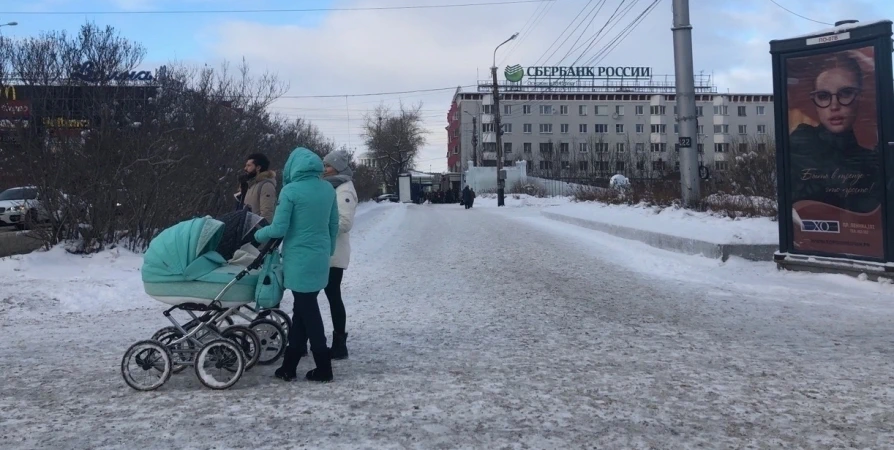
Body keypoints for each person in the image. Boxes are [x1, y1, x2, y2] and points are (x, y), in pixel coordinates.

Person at [254, 147, 339, 383]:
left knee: (308, 311)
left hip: (299, 258)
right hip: (320, 256)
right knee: (302, 311)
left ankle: (324, 367)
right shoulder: (327, 189)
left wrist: (258, 235)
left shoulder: (291, 191)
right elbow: (333, 225)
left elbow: (279, 229)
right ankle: (288, 367)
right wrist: (328, 251)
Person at [788, 51, 881, 213]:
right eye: (823, 96)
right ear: (815, 103)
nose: (834, 105)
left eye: (845, 93)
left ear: (860, 98)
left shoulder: (869, 154)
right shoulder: (802, 141)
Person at [321, 150, 358, 360]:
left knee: (333, 297)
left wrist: (318, 226)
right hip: (325, 251)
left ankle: (339, 343)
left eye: (327, 166)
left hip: (333, 254)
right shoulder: (332, 186)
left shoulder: (344, 190)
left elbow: (344, 223)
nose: (324, 169)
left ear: (338, 167)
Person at [238, 153, 278, 224]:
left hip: (255, 231)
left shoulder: (266, 185)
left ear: (258, 168)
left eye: (249, 165)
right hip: (245, 229)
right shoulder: (250, 185)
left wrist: (260, 232)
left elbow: (267, 213)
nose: (245, 168)